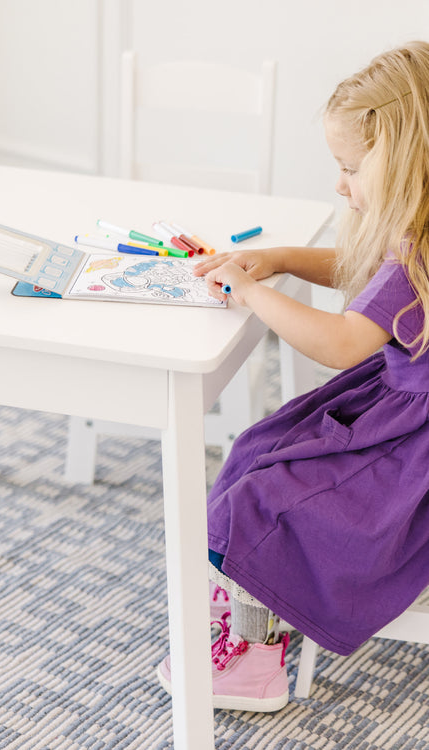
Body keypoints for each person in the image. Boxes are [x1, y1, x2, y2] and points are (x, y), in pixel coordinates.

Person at [156, 40, 429, 712]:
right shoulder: (417, 237)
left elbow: (341, 342)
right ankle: (247, 620)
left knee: (262, 500)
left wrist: (250, 293)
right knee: (256, 450)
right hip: (400, 412)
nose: (341, 184)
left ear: (401, 160)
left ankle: (252, 660)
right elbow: (366, 278)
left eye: (349, 168)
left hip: (411, 447)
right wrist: (277, 259)